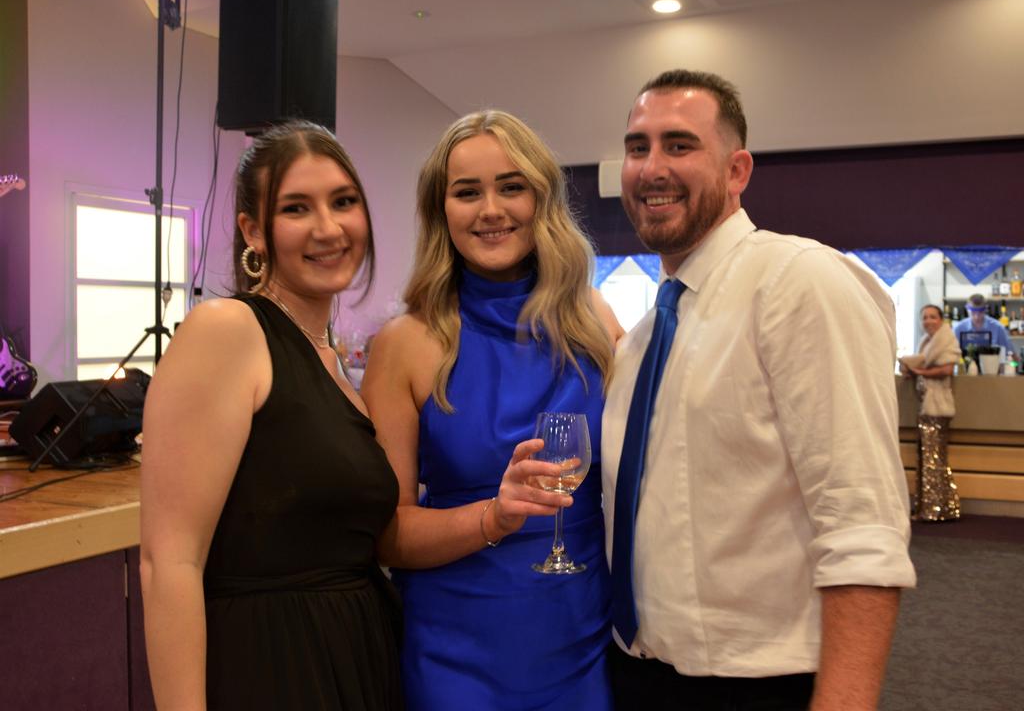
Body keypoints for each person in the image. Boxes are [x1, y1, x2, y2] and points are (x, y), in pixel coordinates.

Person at [601, 70, 916, 711]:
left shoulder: (799, 283)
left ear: (737, 170)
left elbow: (862, 524)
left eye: (679, 145)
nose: (651, 167)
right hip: (635, 674)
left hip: (759, 686)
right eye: (638, 148)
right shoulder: (638, 342)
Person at [362, 110, 623, 710]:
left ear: (542, 198)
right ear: (440, 210)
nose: (491, 210)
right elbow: (387, 534)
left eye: (511, 186)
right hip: (459, 649)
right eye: (466, 192)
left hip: (580, 634)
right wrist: (492, 518)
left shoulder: (593, 320)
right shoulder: (404, 343)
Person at [140, 121, 402, 710]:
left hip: (355, 658)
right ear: (252, 231)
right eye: (296, 208)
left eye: (343, 202)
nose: (328, 228)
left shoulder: (333, 362)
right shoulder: (228, 330)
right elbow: (168, 562)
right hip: (272, 668)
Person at [902, 305, 961, 521]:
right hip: (926, 404)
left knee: (933, 459)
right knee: (928, 457)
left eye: (932, 317)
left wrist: (919, 370)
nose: (928, 321)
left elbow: (947, 370)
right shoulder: (926, 342)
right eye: (924, 317)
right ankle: (938, 506)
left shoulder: (946, 339)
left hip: (938, 406)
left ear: (941, 319)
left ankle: (934, 509)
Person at [952, 293, 1015, 359]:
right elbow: (950, 354)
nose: (977, 317)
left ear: (985, 310)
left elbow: (1010, 354)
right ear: (967, 310)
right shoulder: (958, 329)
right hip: (964, 367)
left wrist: (1011, 365)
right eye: (973, 313)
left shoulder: (998, 328)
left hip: (992, 367)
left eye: (980, 312)